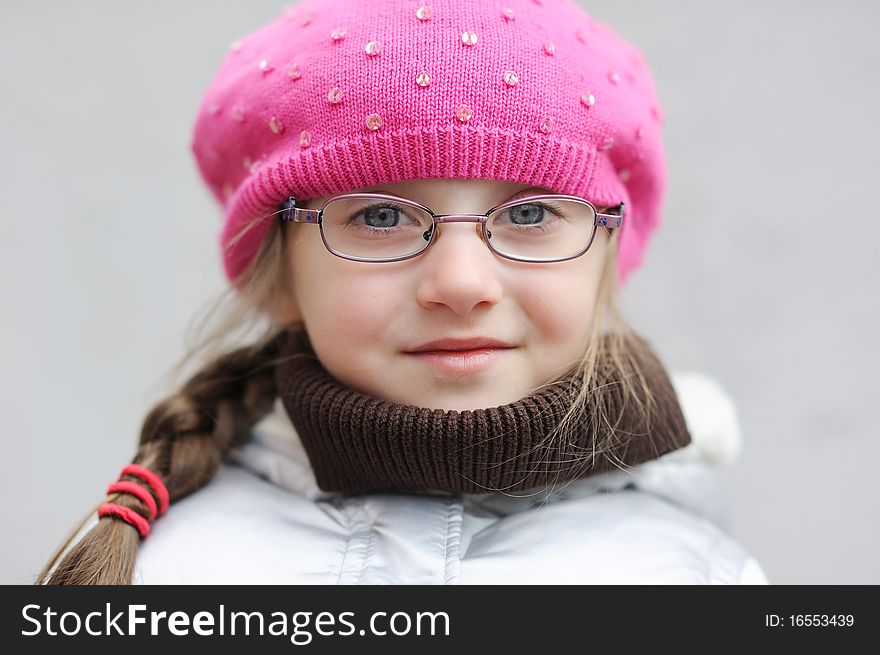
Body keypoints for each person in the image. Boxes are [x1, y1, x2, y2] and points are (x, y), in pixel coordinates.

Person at [38, 0, 769, 584]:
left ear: (605, 254)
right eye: (380, 215)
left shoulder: (700, 576)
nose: (460, 284)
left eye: (530, 213)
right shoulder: (161, 573)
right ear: (280, 273)